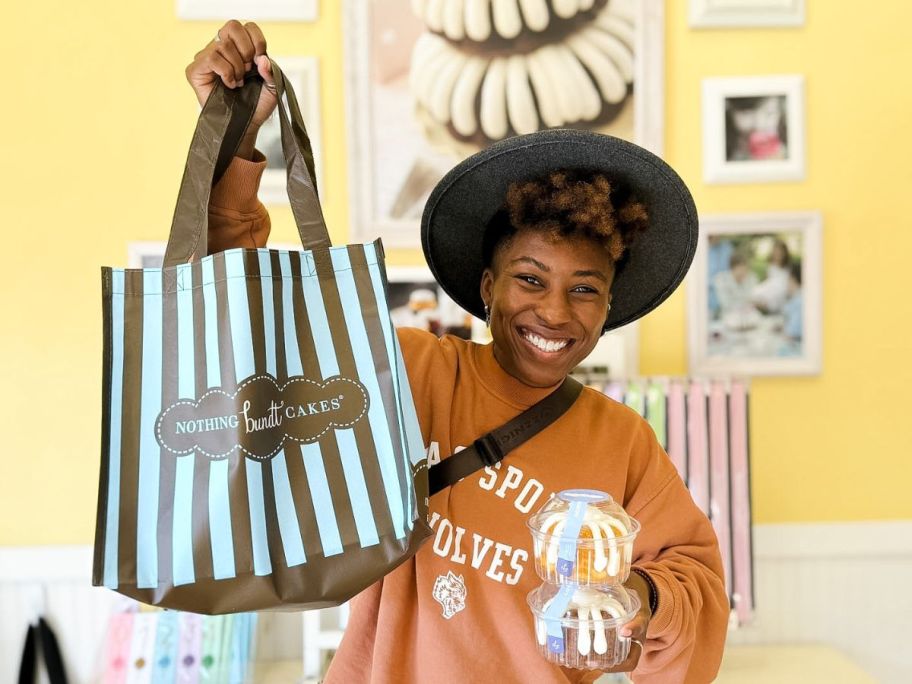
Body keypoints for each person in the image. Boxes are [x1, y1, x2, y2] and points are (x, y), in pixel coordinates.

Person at [186, 22, 729, 683]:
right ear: (487, 287)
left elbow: (696, 582)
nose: (556, 312)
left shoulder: (622, 443)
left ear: (608, 306)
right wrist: (234, 138)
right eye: (531, 279)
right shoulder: (408, 374)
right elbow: (253, 334)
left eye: (584, 289)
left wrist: (640, 595)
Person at [751, 238, 791, 314]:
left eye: (780, 252)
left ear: (784, 253)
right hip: (771, 301)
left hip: (784, 300)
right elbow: (767, 285)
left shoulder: (788, 268)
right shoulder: (770, 268)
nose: (778, 254)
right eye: (775, 251)